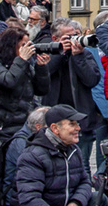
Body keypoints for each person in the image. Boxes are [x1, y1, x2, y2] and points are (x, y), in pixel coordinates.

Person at [6, 105, 104, 206]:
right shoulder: (33, 156)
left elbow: (85, 182)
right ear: (55, 128)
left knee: (99, 199)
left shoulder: (73, 149)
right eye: (72, 124)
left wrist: (76, 203)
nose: (78, 128)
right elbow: (30, 199)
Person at [35, 19, 104, 168]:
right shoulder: (46, 51)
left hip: (80, 118)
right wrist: (60, 52)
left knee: (82, 164)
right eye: (68, 37)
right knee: (52, 164)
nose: (73, 40)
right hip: (53, 117)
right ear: (55, 38)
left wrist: (78, 56)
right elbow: (43, 73)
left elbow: (92, 79)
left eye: (75, 35)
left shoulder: (84, 54)